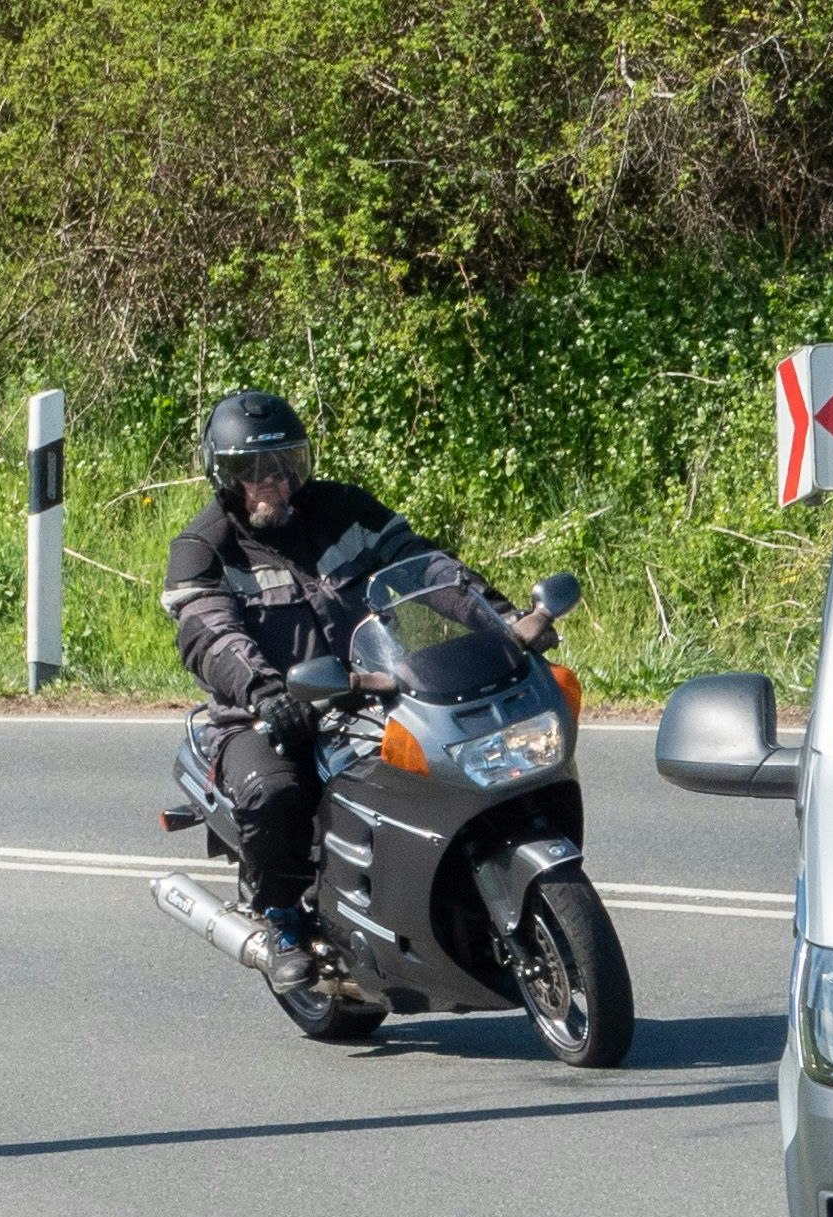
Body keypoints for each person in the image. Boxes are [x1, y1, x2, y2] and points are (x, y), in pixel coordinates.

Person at [161, 389, 547, 989]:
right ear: (223, 474)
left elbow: (425, 569)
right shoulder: (204, 548)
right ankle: (282, 919)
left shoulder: (343, 510)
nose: (271, 482)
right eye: (251, 470)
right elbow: (210, 634)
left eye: (284, 463)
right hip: (268, 713)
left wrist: (499, 619)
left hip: (378, 688)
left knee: (451, 768)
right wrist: (265, 691)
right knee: (275, 791)